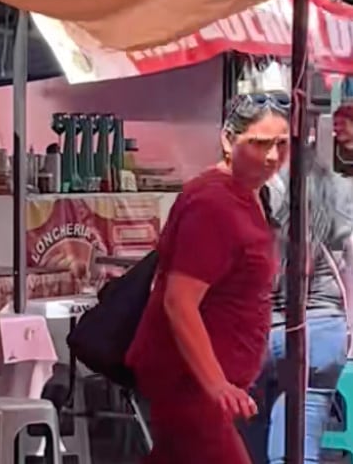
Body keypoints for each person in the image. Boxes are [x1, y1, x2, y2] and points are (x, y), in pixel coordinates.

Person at [126, 91, 291, 464]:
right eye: (259, 144)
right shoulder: (212, 202)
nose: (271, 156)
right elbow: (179, 301)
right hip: (191, 385)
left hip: (206, 385)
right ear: (227, 141)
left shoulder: (249, 194)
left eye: (281, 144)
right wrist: (216, 383)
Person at [244, 147, 353, 464]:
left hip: (265, 333)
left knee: (239, 427)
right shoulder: (336, 202)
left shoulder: (259, 205)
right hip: (323, 333)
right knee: (297, 451)